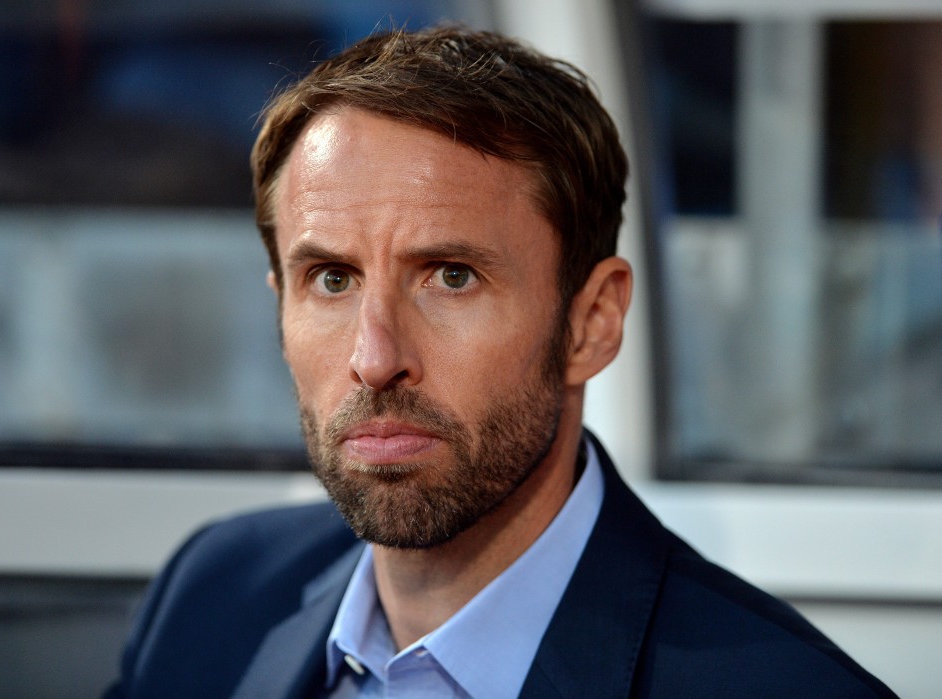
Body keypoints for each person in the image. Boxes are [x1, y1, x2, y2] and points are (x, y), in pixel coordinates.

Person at [104, 26, 896, 698]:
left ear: (592, 322)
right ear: (280, 306)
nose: (375, 359)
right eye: (332, 279)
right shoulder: (213, 597)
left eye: (452, 276)